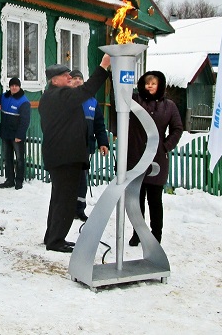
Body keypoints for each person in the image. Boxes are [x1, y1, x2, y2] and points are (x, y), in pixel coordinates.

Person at [38, 54, 111, 253]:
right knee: (65, 201)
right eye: (65, 75)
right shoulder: (60, 95)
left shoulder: (50, 97)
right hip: (66, 157)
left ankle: (51, 237)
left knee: (58, 198)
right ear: (55, 80)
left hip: (59, 156)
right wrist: (103, 66)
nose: (70, 77)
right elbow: (87, 90)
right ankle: (56, 241)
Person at [125, 70, 183, 246]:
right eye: (147, 83)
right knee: (137, 199)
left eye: (153, 83)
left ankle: (156, 235)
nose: (149, 86)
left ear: (160, 86)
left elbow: (177, 128)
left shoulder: (169, 106)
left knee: (155, 200)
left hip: (157, 159)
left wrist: (165, 146)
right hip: (135, 157)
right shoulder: (134, 100)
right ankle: (138, 233)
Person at [68, 69, 110, 222]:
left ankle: (79, 209)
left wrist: (103, 142)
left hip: (86, 148)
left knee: (82, 180)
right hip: (68, 148)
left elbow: (99, 124)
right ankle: (67, 209)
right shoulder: (67, 99)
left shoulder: (92, 102)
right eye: (74, 78)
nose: (78, 80)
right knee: (68, 180)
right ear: (69, 82)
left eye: (80, 78)